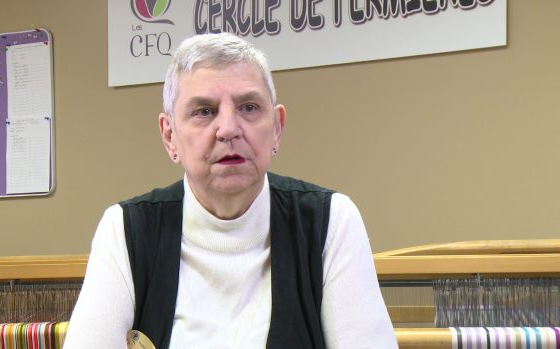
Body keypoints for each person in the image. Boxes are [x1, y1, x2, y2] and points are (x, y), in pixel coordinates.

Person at [63, 32, 397, 349]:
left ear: (277, 128)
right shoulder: (125, 229)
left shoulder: (331, 221)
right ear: (170, 136)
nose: (228, 129)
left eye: (248, 107)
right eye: (204, 111)